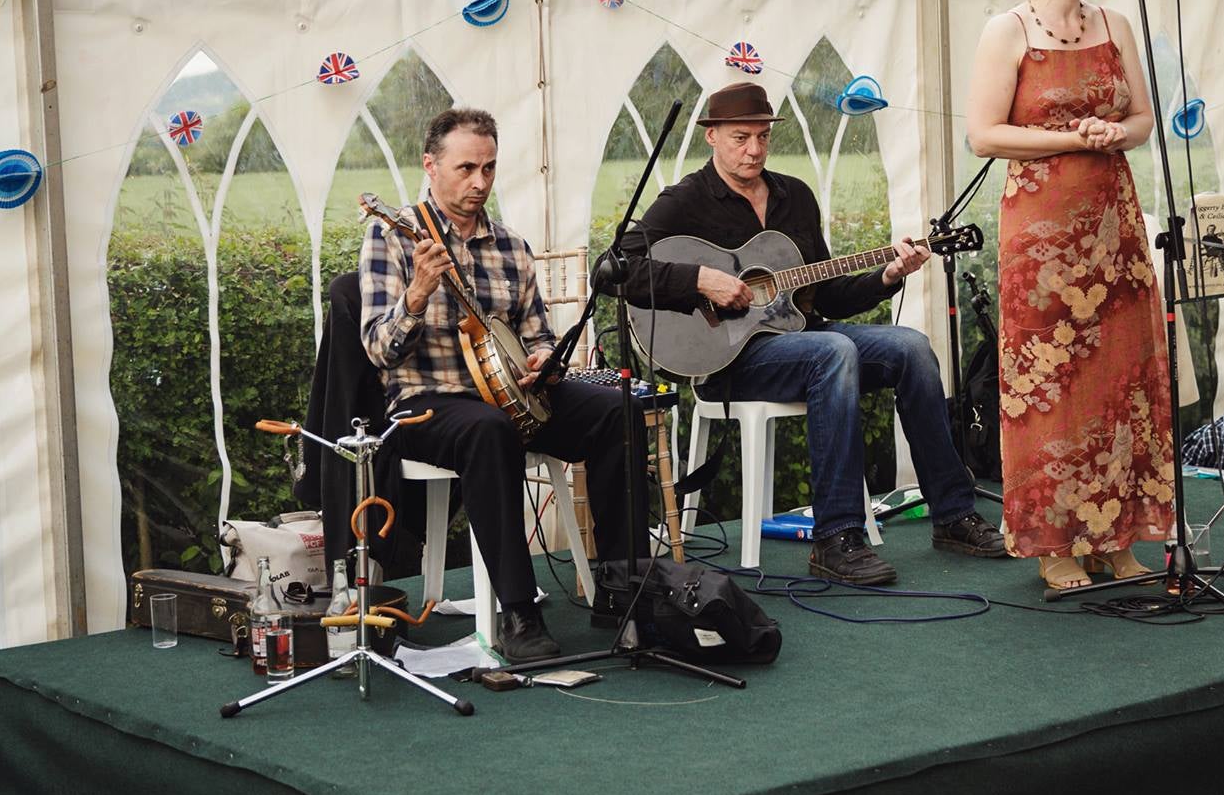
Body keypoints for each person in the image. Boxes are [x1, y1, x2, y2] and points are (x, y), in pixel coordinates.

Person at [612, 81, 1007, 586]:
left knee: (911, 346)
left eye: (761, 137)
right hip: (730, 361)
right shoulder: (685, 201)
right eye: (740, 138)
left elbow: (826, 295)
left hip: (806, 339)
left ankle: (953, 514)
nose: (754, 149)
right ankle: (836, 538)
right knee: (834, 351)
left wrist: (887, 276)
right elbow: (618, 268)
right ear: (711, 137)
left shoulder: (793, 196)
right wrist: (699, 280)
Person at [360, 107, 630, 662]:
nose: (479, 182)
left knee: (615, 410)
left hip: (511, 395)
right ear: (430, 166)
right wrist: (416, 294)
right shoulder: (391, 238)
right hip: (428, 406)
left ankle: (623, 588)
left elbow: (540, 335)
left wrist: (540, 361)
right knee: (489, 430)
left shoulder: (511, 247)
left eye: (488, 168)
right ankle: (518, 614)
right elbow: (377, 350)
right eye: (465, 169)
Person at [964, 0, 1178, 591]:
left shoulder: (1115, 22)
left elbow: (1143, 115)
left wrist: (1118, 132)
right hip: (1043, 235)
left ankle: (1118, 541)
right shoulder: (1008, 31)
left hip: (1113, 222)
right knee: (1052, 388)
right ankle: (1055, 544)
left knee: (1122, 384)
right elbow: (985, 134)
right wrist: (1071, 137)